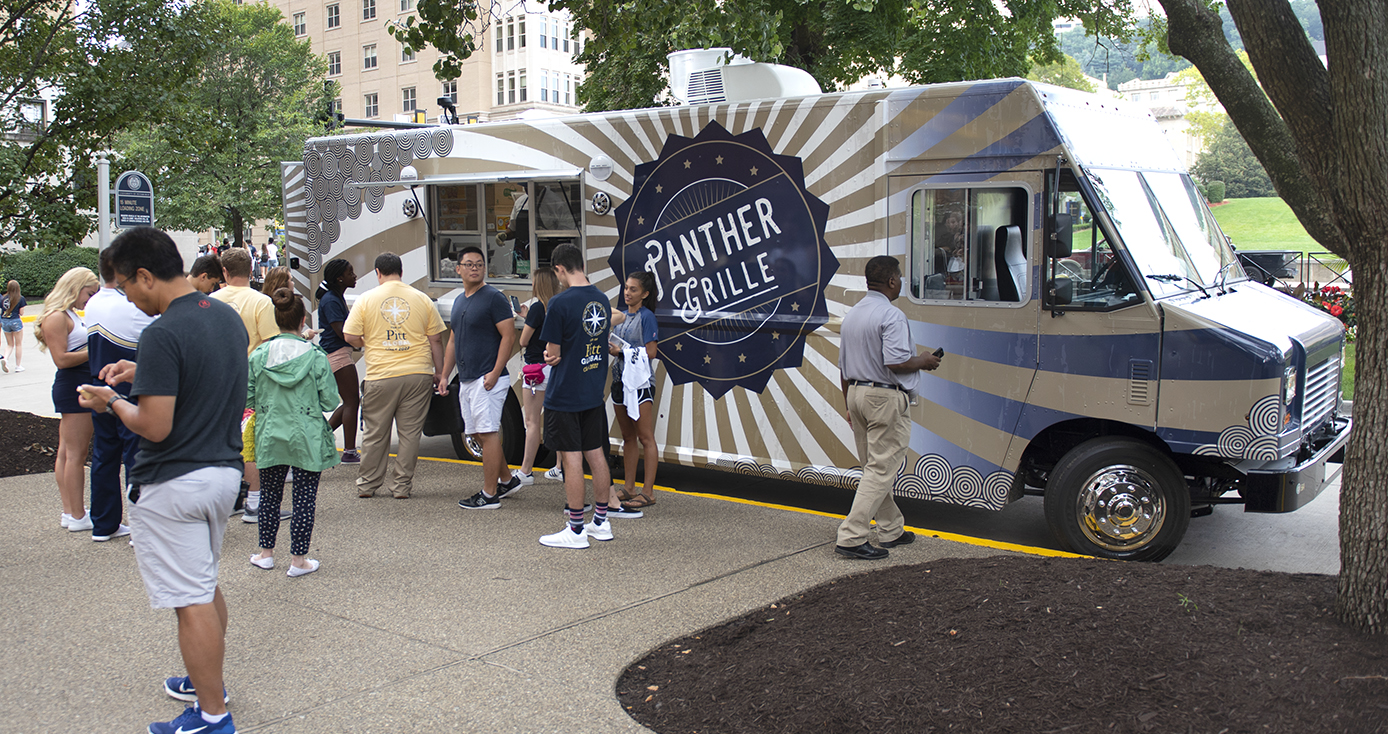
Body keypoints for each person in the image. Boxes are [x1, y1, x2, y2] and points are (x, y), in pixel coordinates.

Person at [77, 226, 247, 734]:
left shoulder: (162, 332)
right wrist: (141, 371)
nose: (128, 298)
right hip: (221, 475)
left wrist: (112, 401)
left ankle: (212, 716)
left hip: (173, 483)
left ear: (145, 275)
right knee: (204, 586)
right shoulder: (222, 316)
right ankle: (205, 683)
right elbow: (204, 378)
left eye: (127, 287)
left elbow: (153, 425)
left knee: (189, 598)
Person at [834, 255, 941, 560]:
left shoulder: (852, 315)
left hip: (856, 393)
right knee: (881, 469)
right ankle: (852, 536)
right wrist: (924, 360)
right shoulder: (891, 316)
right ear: (892, 281)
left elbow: (842, 368)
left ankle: (891, 529)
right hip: (883, 398)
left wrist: (848, 405)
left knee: (873, 468)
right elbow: (895, 362)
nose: (901, 282)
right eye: (900, 277)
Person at [246, 288, 340, 577]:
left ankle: (265, 553)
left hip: (271, 431)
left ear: (276, 319)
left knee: (270, 495)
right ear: (303, 321)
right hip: (306, 433)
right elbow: (330, 400)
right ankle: (298, 560)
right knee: (304, 497)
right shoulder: (315, 355)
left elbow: (247, 398)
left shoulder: (260, 355)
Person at [343, 252, 446, 499]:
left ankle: (368, 484)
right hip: (418, 373)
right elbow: (436, 339)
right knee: (410, 435)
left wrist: (368, 341)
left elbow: (349, 336)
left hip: (381, 374)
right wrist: (439, 372)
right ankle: (401, 486)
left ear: (378, 272)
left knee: (375, 433)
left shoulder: (366, 299)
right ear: (401, 271)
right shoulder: (421, 299)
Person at [537, 243, 615, 549]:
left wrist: (549, 355)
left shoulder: (559, 303)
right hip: (593, 391)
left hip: (565, 393)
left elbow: (552, 354)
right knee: (596, 454)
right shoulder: (601, 300)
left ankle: (576, 530)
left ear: (558, 269)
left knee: (571, 459)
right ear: (581, 264)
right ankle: (601, 522)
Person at [84, 249, 155, 542]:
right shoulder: (133, 306)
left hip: (98, 385)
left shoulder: (93, 303)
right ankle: (141, 525)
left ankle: (103, 522)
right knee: (136, 456)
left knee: (104, 454)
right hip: (130, 387)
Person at [448, 247, 522, 509]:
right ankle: (506, 479)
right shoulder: (459, 301)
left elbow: (508, 336)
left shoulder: (493, 298)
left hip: (488, 378)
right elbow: (453, 340)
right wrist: (445, 374)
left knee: (488, 433)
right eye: (468, 264)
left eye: (479, 264)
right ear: (458, 269)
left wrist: (494, 371)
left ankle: (489, 495)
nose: (474, 268)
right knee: (478, 434)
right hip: (467, 378)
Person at [213, 248, 280, 524]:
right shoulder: (261, 302)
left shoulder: (210, 301)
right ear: (252, 267)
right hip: (251, 379)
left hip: (217, 378)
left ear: (224, 272)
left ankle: (228, 499)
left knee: (222, 439)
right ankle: (255, 501)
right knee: (249, 441)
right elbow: (271, 343)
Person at [35, 266, 99, 532]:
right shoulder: (57, 317)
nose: (90, 298)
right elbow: (61, 359)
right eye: (88, 292)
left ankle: (70, 511)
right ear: (75, 286)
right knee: (75, 453)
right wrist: (95, 348)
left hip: (77, 384)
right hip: (74, 384)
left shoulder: (69, 314)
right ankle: (76, 513)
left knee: (67, 452)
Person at [607, 271, 660, 517]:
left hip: (639, 384)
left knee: (645, 437)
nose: (627, 293)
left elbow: (651, 352)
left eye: (633, 290)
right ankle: (628, 487)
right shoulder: (621, 314)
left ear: (645, 294)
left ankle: (647, 491)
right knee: (628, 436)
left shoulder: (647, 317)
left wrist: (621, 352)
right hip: (619, 379)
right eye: (626, 288)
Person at [512, 267, 560, 485]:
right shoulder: (558, 306)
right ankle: (559, 467)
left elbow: (523, 341)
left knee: (532, 422)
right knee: (557, 418)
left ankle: (526, 471)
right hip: (555, 367)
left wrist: (526, 319)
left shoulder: (536, 308)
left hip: (535, 371)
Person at [318, 259, 362, 463]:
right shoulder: (331, 300)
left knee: (350, 400)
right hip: (337, 354)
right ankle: (350, 451)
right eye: (350, 272)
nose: (354, 276)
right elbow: (342, 331)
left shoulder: (334, 297)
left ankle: (322, 436)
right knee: (352, 401)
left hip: (338, 353)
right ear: (339, 278)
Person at [1, 279, 26, 373]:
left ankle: (6, 359)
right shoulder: (20, 298)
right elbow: (21, 313)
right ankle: (18, 366)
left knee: (9, 344)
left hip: (5, 321)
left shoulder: (3, 298)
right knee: (18, 344)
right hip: (15, 321)